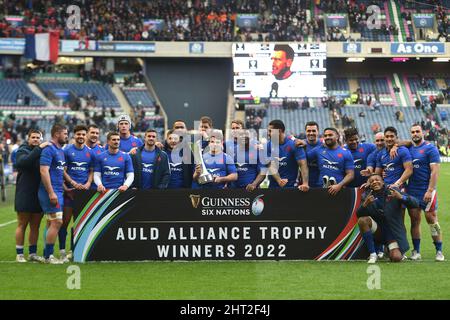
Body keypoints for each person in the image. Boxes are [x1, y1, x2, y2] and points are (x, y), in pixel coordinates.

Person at [357, 173, 419, 264]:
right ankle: (373, 254)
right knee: (363, 220)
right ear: (369, 184)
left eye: (377, 180)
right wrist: (365, 204)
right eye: (372, 181)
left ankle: (389, 248)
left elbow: (415, 203)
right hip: (378, 231)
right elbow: (358, 214)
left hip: (392, 232)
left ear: (383, 182)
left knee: (396, 258)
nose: (375, 182)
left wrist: (401, 197)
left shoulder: (393, 191)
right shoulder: (367, 195)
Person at [406, 125, 444, 261]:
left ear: (423, 133)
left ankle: (439, 251)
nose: (415, 134)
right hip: (412, 191)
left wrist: (430, 190)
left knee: (432, 219)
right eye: (413, 132)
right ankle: (416, 251)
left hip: (427, 190)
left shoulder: (430, 149)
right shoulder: (408, 149)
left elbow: (435, 171)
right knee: (414, 220)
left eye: (417, 131)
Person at [14, 129, 50, 263]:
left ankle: (33, 253)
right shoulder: (22, 150)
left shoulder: (42, 152)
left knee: (35, 225)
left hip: (39, 193)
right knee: (22, 224)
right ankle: (19, 254)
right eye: (33, 137)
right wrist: (39, 148)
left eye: (38, 138)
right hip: (24, 193)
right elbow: (24, 162)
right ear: (28, 139)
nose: (36, 139)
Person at [60, 125, 94, 262]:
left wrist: (87, 184)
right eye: (78, 134)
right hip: (69, 192)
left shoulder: (90, 152)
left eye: (83, 134)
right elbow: (62, 170)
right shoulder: (67, 150)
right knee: (65, 221)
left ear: (86, 136)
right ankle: (62, 251)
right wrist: (72, 184)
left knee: (80, 223)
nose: (81, 136)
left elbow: (91, 171)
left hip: (84, 193)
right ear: (74, 135)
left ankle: (73, 250)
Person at [39, 124, 68, 264]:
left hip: (59, 190)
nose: (67, 136)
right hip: (50, 191)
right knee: (57, 222)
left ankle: (46, 254)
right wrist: (51, 192)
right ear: (57, 134)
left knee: (51, 222)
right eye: (65, 134)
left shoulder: (60, 151)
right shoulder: (48, 149)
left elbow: (59, 172)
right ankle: (49, 256)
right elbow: (44, 171)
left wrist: (65, 187)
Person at [254, 120, 308, 190]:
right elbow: (270, 165)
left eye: (270, 131)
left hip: (291, 188)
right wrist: (279, 180)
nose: (268, 134)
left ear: (279, 131)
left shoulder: (295, 144)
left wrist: (305, 183)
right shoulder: (268, 146)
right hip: (273, 188)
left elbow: (303, 164)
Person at [306, 128, 354, 195]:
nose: (327, 137)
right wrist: (302, 145)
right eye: (325, 136)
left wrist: (339, 185)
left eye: (330, 135)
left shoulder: (346, 153)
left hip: (338, 191)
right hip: (320, 189)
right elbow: (304, 159)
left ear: (337, 136)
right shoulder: (318, 150)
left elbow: (350, 175)